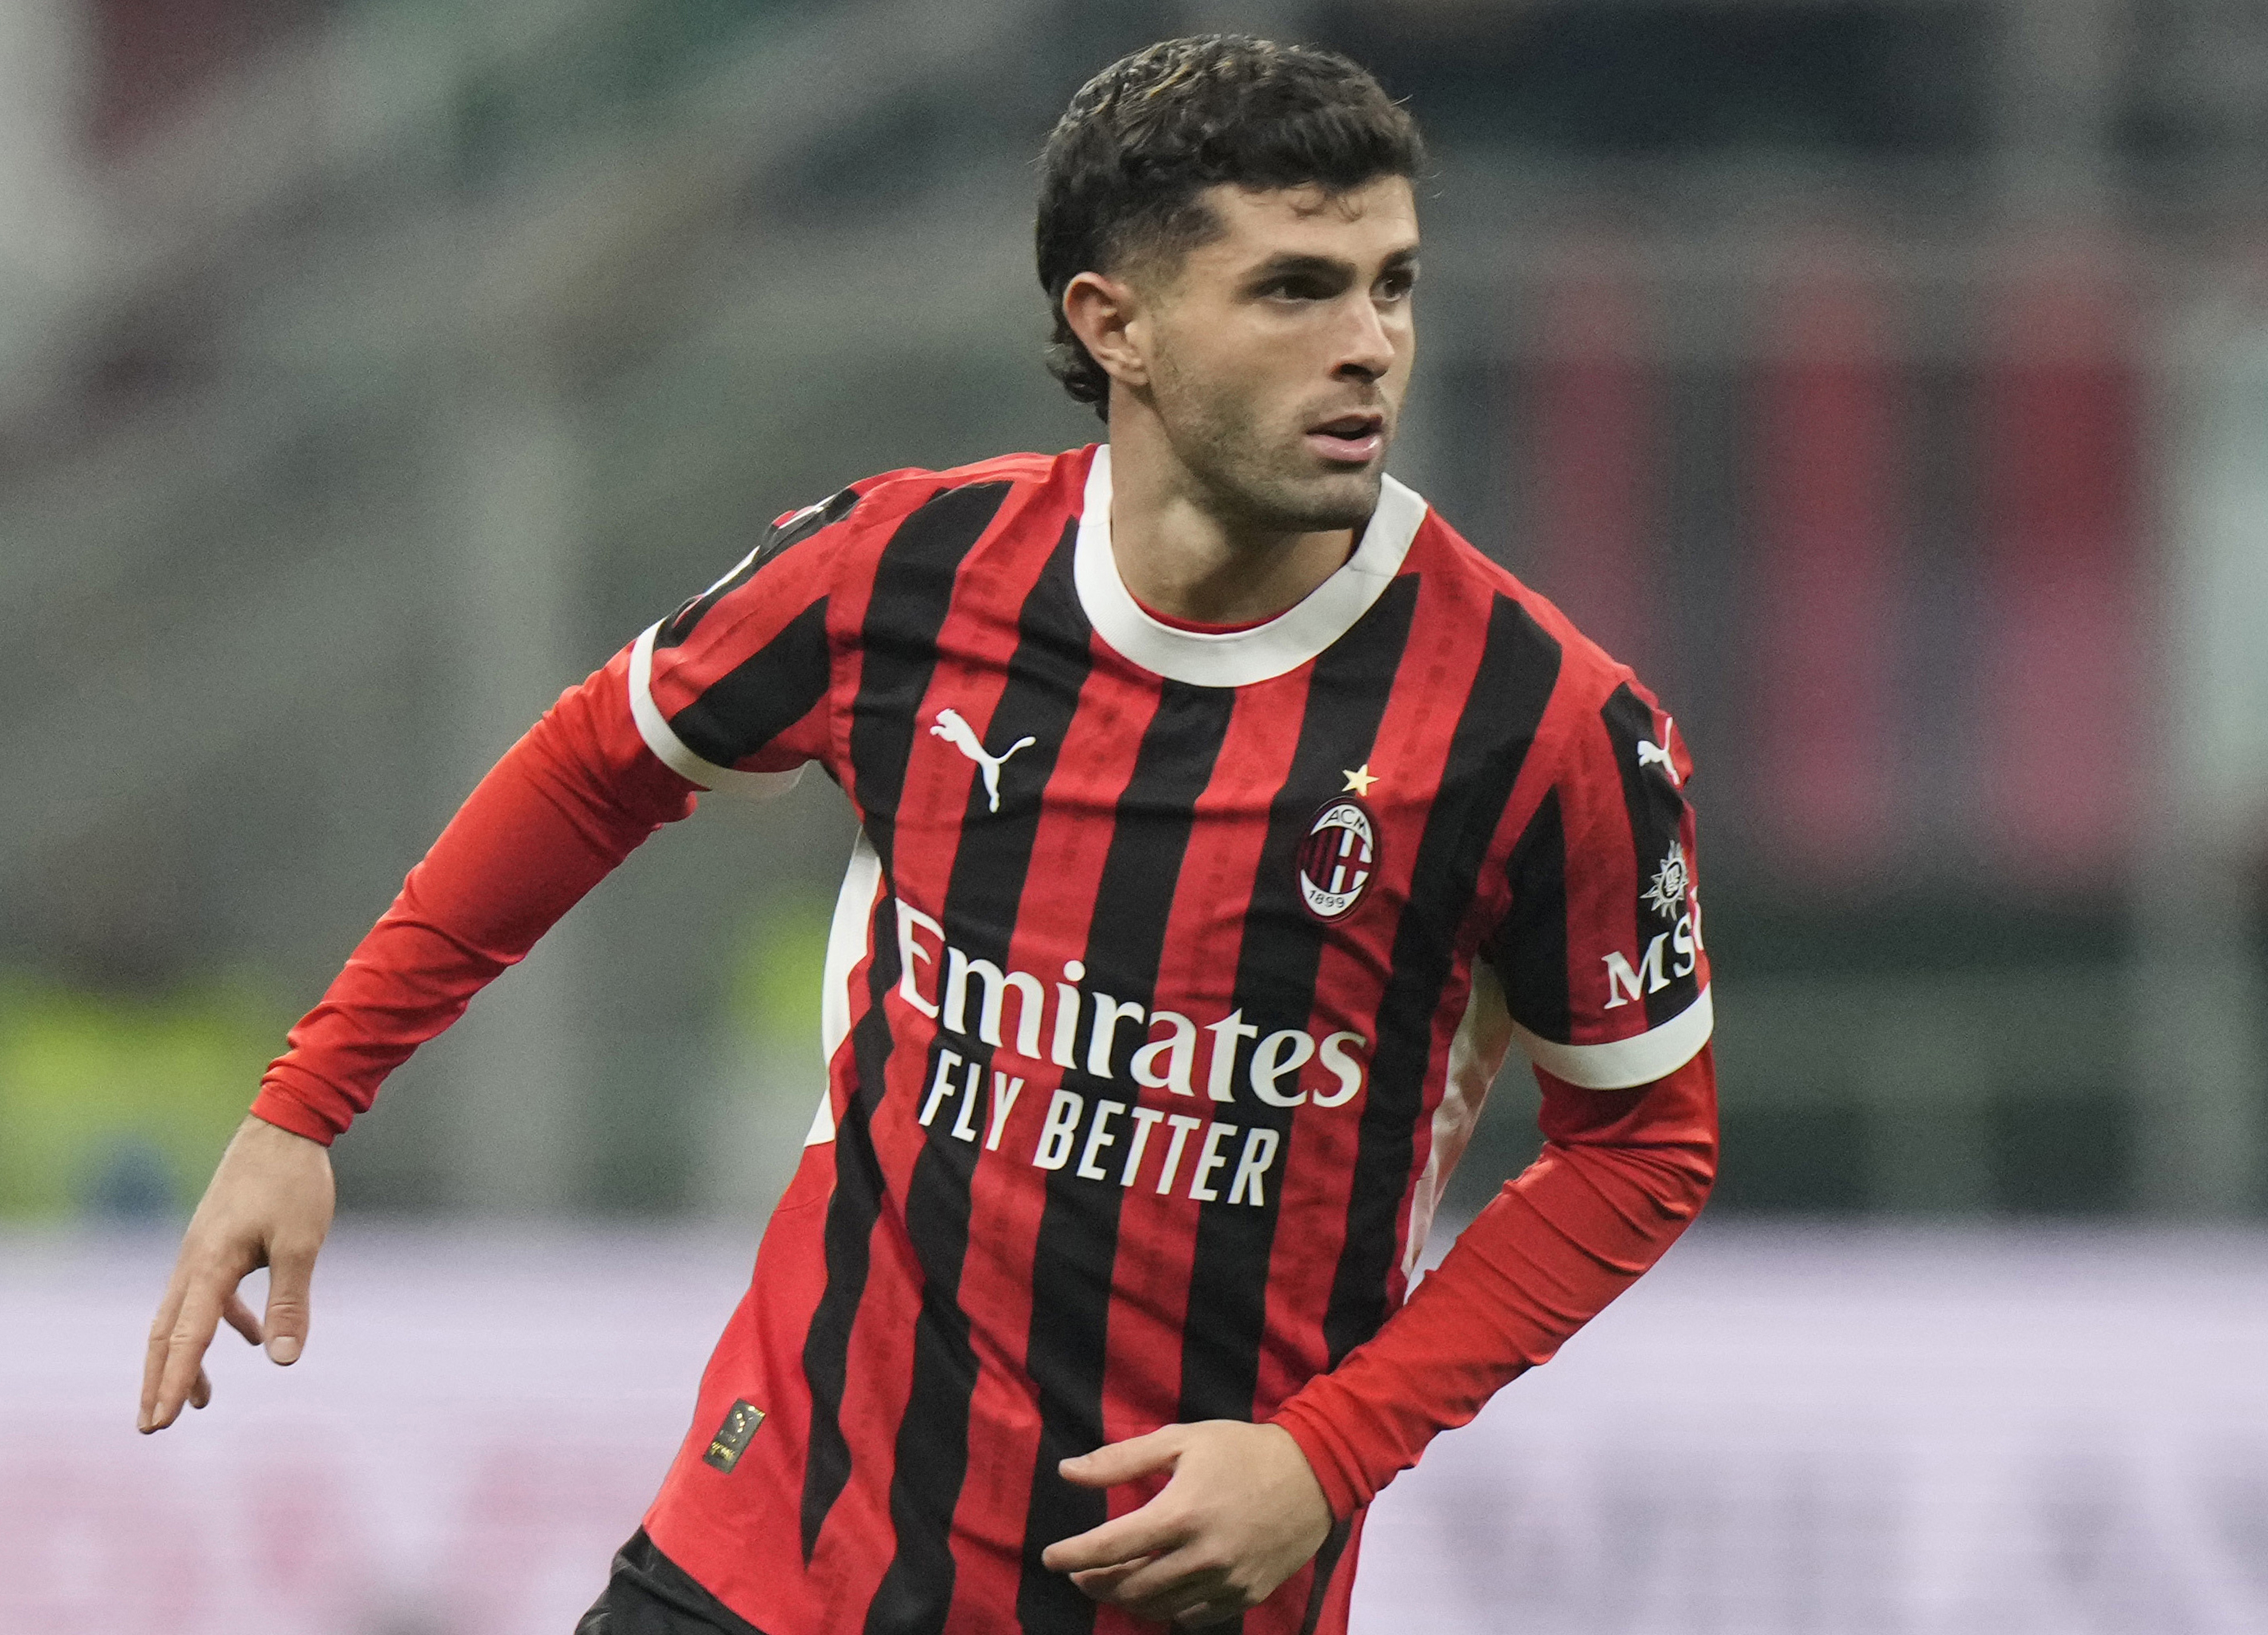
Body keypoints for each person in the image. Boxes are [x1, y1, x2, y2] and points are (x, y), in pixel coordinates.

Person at [139, 35, 1718, 1635]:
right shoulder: (903, 573)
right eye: (1297, 290)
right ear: (1120, 327)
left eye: (1393, 284)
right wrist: (308, 1103)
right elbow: (597, 760)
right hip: (778, 1550)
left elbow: (1648, 1144)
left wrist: (1326, 1458)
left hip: (1169, 1600)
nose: (1371, 345)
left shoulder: (1544, 726)